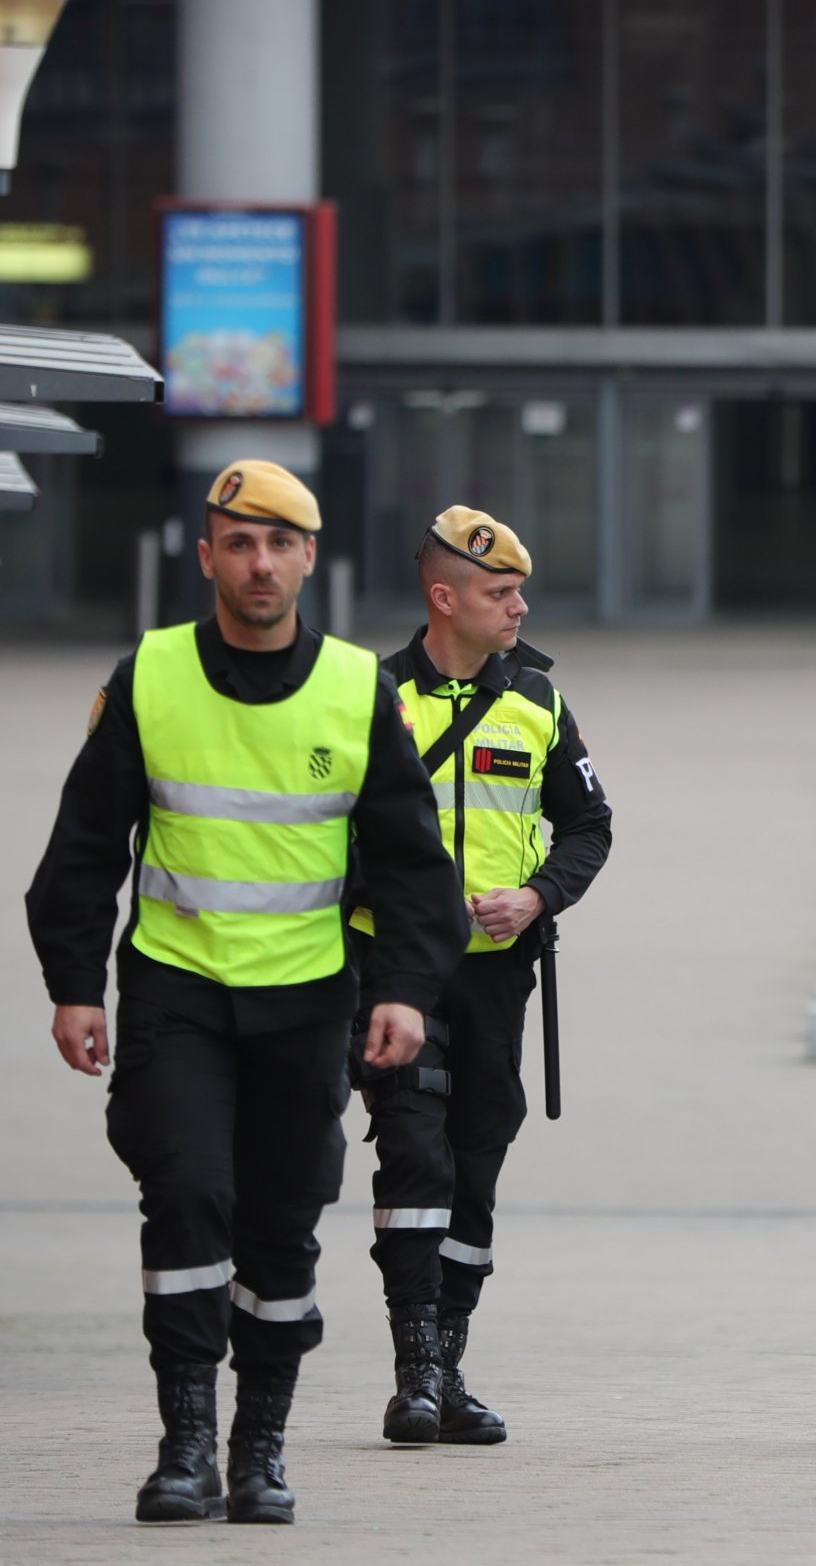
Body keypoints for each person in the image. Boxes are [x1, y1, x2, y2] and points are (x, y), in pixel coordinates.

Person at [25, 460, 468, 1525]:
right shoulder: (155, 674)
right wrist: (74, 984)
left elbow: (413, 864)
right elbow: (85, 845)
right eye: (238, 541)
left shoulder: (356, 687)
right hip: (178, 990)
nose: (259, 562)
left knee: (279, 1226)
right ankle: (184, 1443)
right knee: (184, 1192)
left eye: (279, 542)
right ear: (208, 553)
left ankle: (258, 1446)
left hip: (308, 1003)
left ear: (311, 554)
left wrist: (405, 988)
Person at [347, 508, 613, 1447]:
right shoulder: (372, 696)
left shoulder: (538, 700)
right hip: (393, 973)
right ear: (443, 596)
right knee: (413, 1152)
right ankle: (413, 1370)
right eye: (501, 593)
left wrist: (539, 897)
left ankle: (449, 1365)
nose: (520, 606)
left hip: (499, 978)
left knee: (474, 1162)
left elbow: (590, 826)